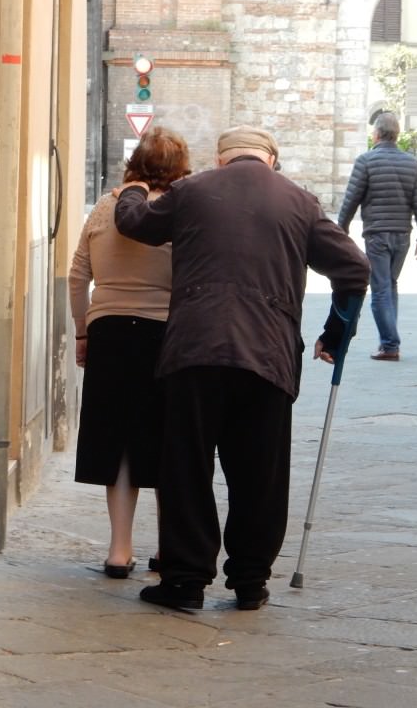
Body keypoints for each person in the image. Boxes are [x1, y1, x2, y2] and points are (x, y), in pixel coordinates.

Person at [114, 125, 369, 611]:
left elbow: (136, 223)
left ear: (221, 158)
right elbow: (355, 270)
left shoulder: (191, 190)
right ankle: (251, 581)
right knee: (260, 474)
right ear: (272, 159)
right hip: (268, 357)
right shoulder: (300, 201)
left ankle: (185, 581)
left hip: (196, 350)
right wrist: (336, 335)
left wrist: (131, 188)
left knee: (187, 468)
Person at [69, 126, 191, 579]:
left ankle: (119, 551)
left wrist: (83, 332)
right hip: (164, 335)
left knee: (117, 442)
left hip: (110, 334)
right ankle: (165, 549)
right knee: (165, 440)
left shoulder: (106, 206)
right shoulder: (179, 210)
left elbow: (78, 276)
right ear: (180, 167)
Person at [337, 112, 417, 362]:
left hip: (377, 234)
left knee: (380, 289)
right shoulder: (411, 163)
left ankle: (389, 345)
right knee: (390, 284)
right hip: (402, 235)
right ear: (397, 134)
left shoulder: (366, 161)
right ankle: (388, 342)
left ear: (376, 134)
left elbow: (351, 198)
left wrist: (340, 230)